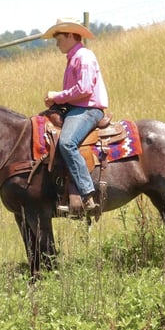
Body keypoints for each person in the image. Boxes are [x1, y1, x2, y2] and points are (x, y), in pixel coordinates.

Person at [42, 18, 109, 213]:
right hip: (76, 108)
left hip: (87, 109)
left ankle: (87, 192)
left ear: (71, 35)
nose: (57, 43)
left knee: (67, 143)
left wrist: (58, 96)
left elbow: (85, 89)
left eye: (59, 38)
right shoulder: (74, 57)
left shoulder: (83, 57)